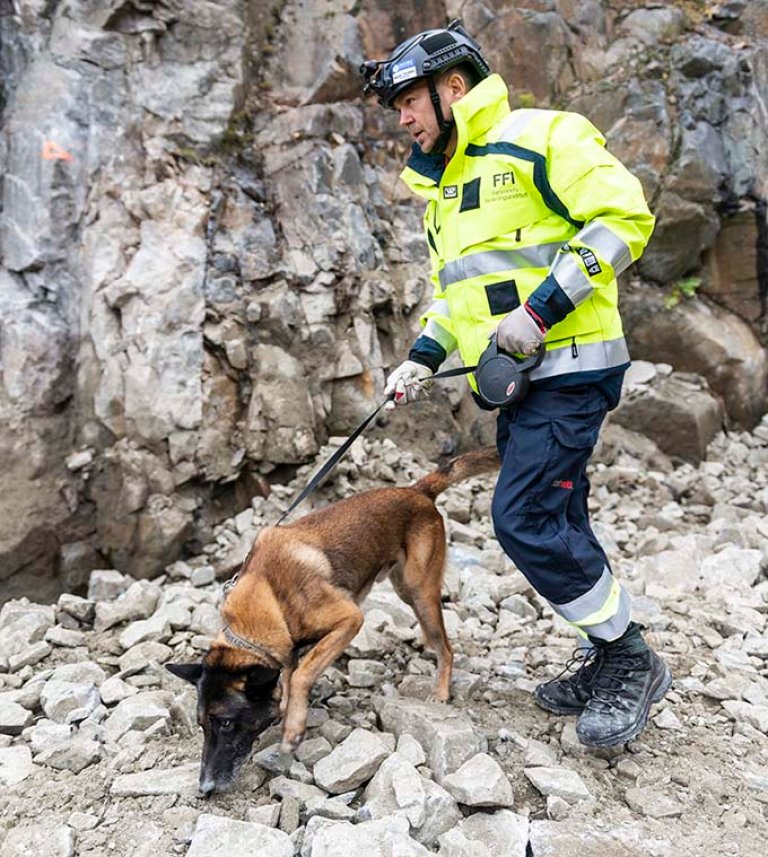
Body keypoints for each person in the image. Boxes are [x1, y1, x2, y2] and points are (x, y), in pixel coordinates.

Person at [360, 19, 671, 747]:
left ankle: (630, 657)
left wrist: (541, 311)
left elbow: (624, 218)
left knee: (523, 516)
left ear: (453, 87)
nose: (402, 118)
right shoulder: (446, 193)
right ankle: (608, 650)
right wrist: (420, 358)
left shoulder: (541, 136)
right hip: (522, 383)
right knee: (558, 516)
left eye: (409, 100)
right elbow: (457, 299)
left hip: (572, 366)